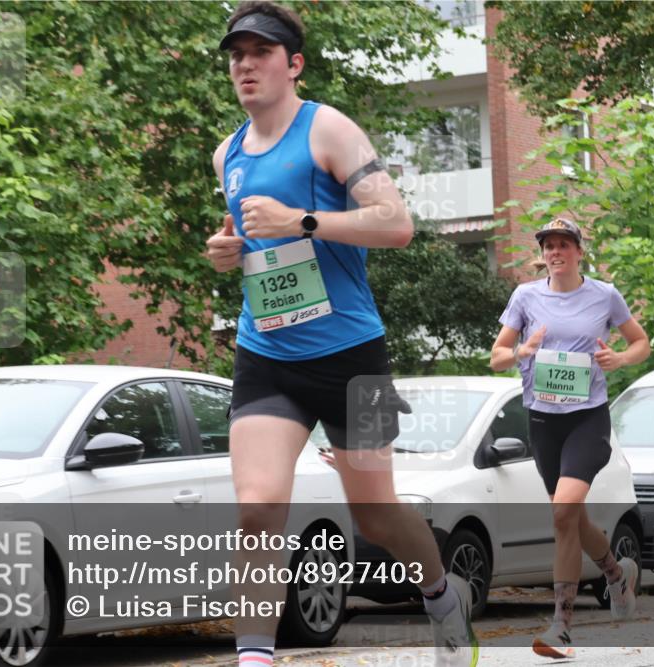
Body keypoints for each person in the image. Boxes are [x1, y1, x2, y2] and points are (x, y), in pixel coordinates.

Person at [206, 3, 478, 666]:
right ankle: (254, 658)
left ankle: (444, 596)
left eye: (260, 52)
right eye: (236, 54)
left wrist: (302, 221)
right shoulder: (227, 154)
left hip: (355, 354)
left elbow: (396, 223)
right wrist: (227, 247)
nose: (245, 64)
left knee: (376, 514)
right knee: (258, 506)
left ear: (293, 64)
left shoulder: (326, 128)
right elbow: (249, 235)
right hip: (266, 353)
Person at [489, 218, 650, 659]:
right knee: (571, 517)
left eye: (564, 245)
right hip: (543, 421)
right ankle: (617, 575)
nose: (556, 252)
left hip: (587, 419)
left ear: (579, 252)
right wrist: (522, 351)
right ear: (543, 254)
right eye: (549, 246)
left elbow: (641, 342)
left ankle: (561, 625)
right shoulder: (525, 296)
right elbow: (496, 357)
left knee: (562, 511)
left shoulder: (603, 295)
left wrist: (620, 357)